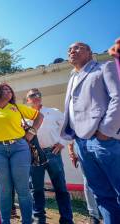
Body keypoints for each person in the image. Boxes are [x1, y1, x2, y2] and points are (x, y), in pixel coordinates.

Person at [60, 42, 120, 223]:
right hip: (81, 142)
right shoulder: (72, 77)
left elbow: (117, 97)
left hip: (104, 141)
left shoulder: (104, 67)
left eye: (78, 48)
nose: (72, 51)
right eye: (69, 49)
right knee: (102, 195)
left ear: (90, 52)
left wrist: (106, 131)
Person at [0, 82, 43, 224]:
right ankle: (5, 221)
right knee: (4, 190)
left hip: (19, 148)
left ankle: (27, 221)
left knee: (22, 189)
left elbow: (39, 116)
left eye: (9, 90)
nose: (9, 92)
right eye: (5, 90)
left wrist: (32, 131)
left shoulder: (16, 108)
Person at [26, 88, 73, 224]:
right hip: (34, 156)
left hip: (53, 153)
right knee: (36, 189)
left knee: (61, 188)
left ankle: (67, 219)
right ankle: (39, 219)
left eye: (38, 94)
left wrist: (62, 143)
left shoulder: (53, 112)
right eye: (32, 95)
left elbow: (69, 127)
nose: (36, 97)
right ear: (28, 100)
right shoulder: (24, 117)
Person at [68, 142, 101, 224]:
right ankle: (94, 217)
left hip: (108, 146)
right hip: (83, 148)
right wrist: (71, 152)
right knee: (88, 181)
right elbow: (70, 132)